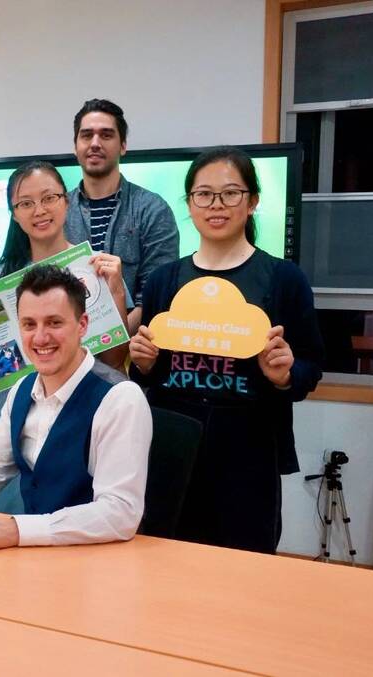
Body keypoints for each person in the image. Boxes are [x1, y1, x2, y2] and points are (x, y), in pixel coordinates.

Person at [129, 146, 324, 554]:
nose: (216, 205)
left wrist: (287, 373)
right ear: (190, 203)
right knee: (165, 561)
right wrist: (142, 364)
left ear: (252, 201)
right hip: (173, 442)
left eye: (231, 193)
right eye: (204, 194)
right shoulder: (165, 278)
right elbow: (148, 371)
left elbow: (310, 366)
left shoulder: (283, 279)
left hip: (248, 449)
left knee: (245, 569)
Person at [0, 265, 151, 552]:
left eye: (54, 323)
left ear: (83, 324)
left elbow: (120, 513)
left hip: (98, 565)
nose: (40, 338)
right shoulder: (22, 389)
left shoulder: (120, 397)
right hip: (35, 559)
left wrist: (16, 529)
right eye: (29, 324)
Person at [0, 161, 131, 445]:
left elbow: (113, 361)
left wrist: (117, 295)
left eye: (49, 198)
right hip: (13, 418)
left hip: (79, 411)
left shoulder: (97, 267)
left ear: (67, 202)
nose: (39, 210)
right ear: (14, 215)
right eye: (25, 203)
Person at [64, 99, 179, 333]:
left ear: (123, 146)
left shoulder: (152, 209)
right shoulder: (58, 210)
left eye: (106, 135)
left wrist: (114, 339)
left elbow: (154, 295)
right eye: (86, 135)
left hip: (131, 350)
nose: (95, 143)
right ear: (75, 146)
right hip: (66, 348)